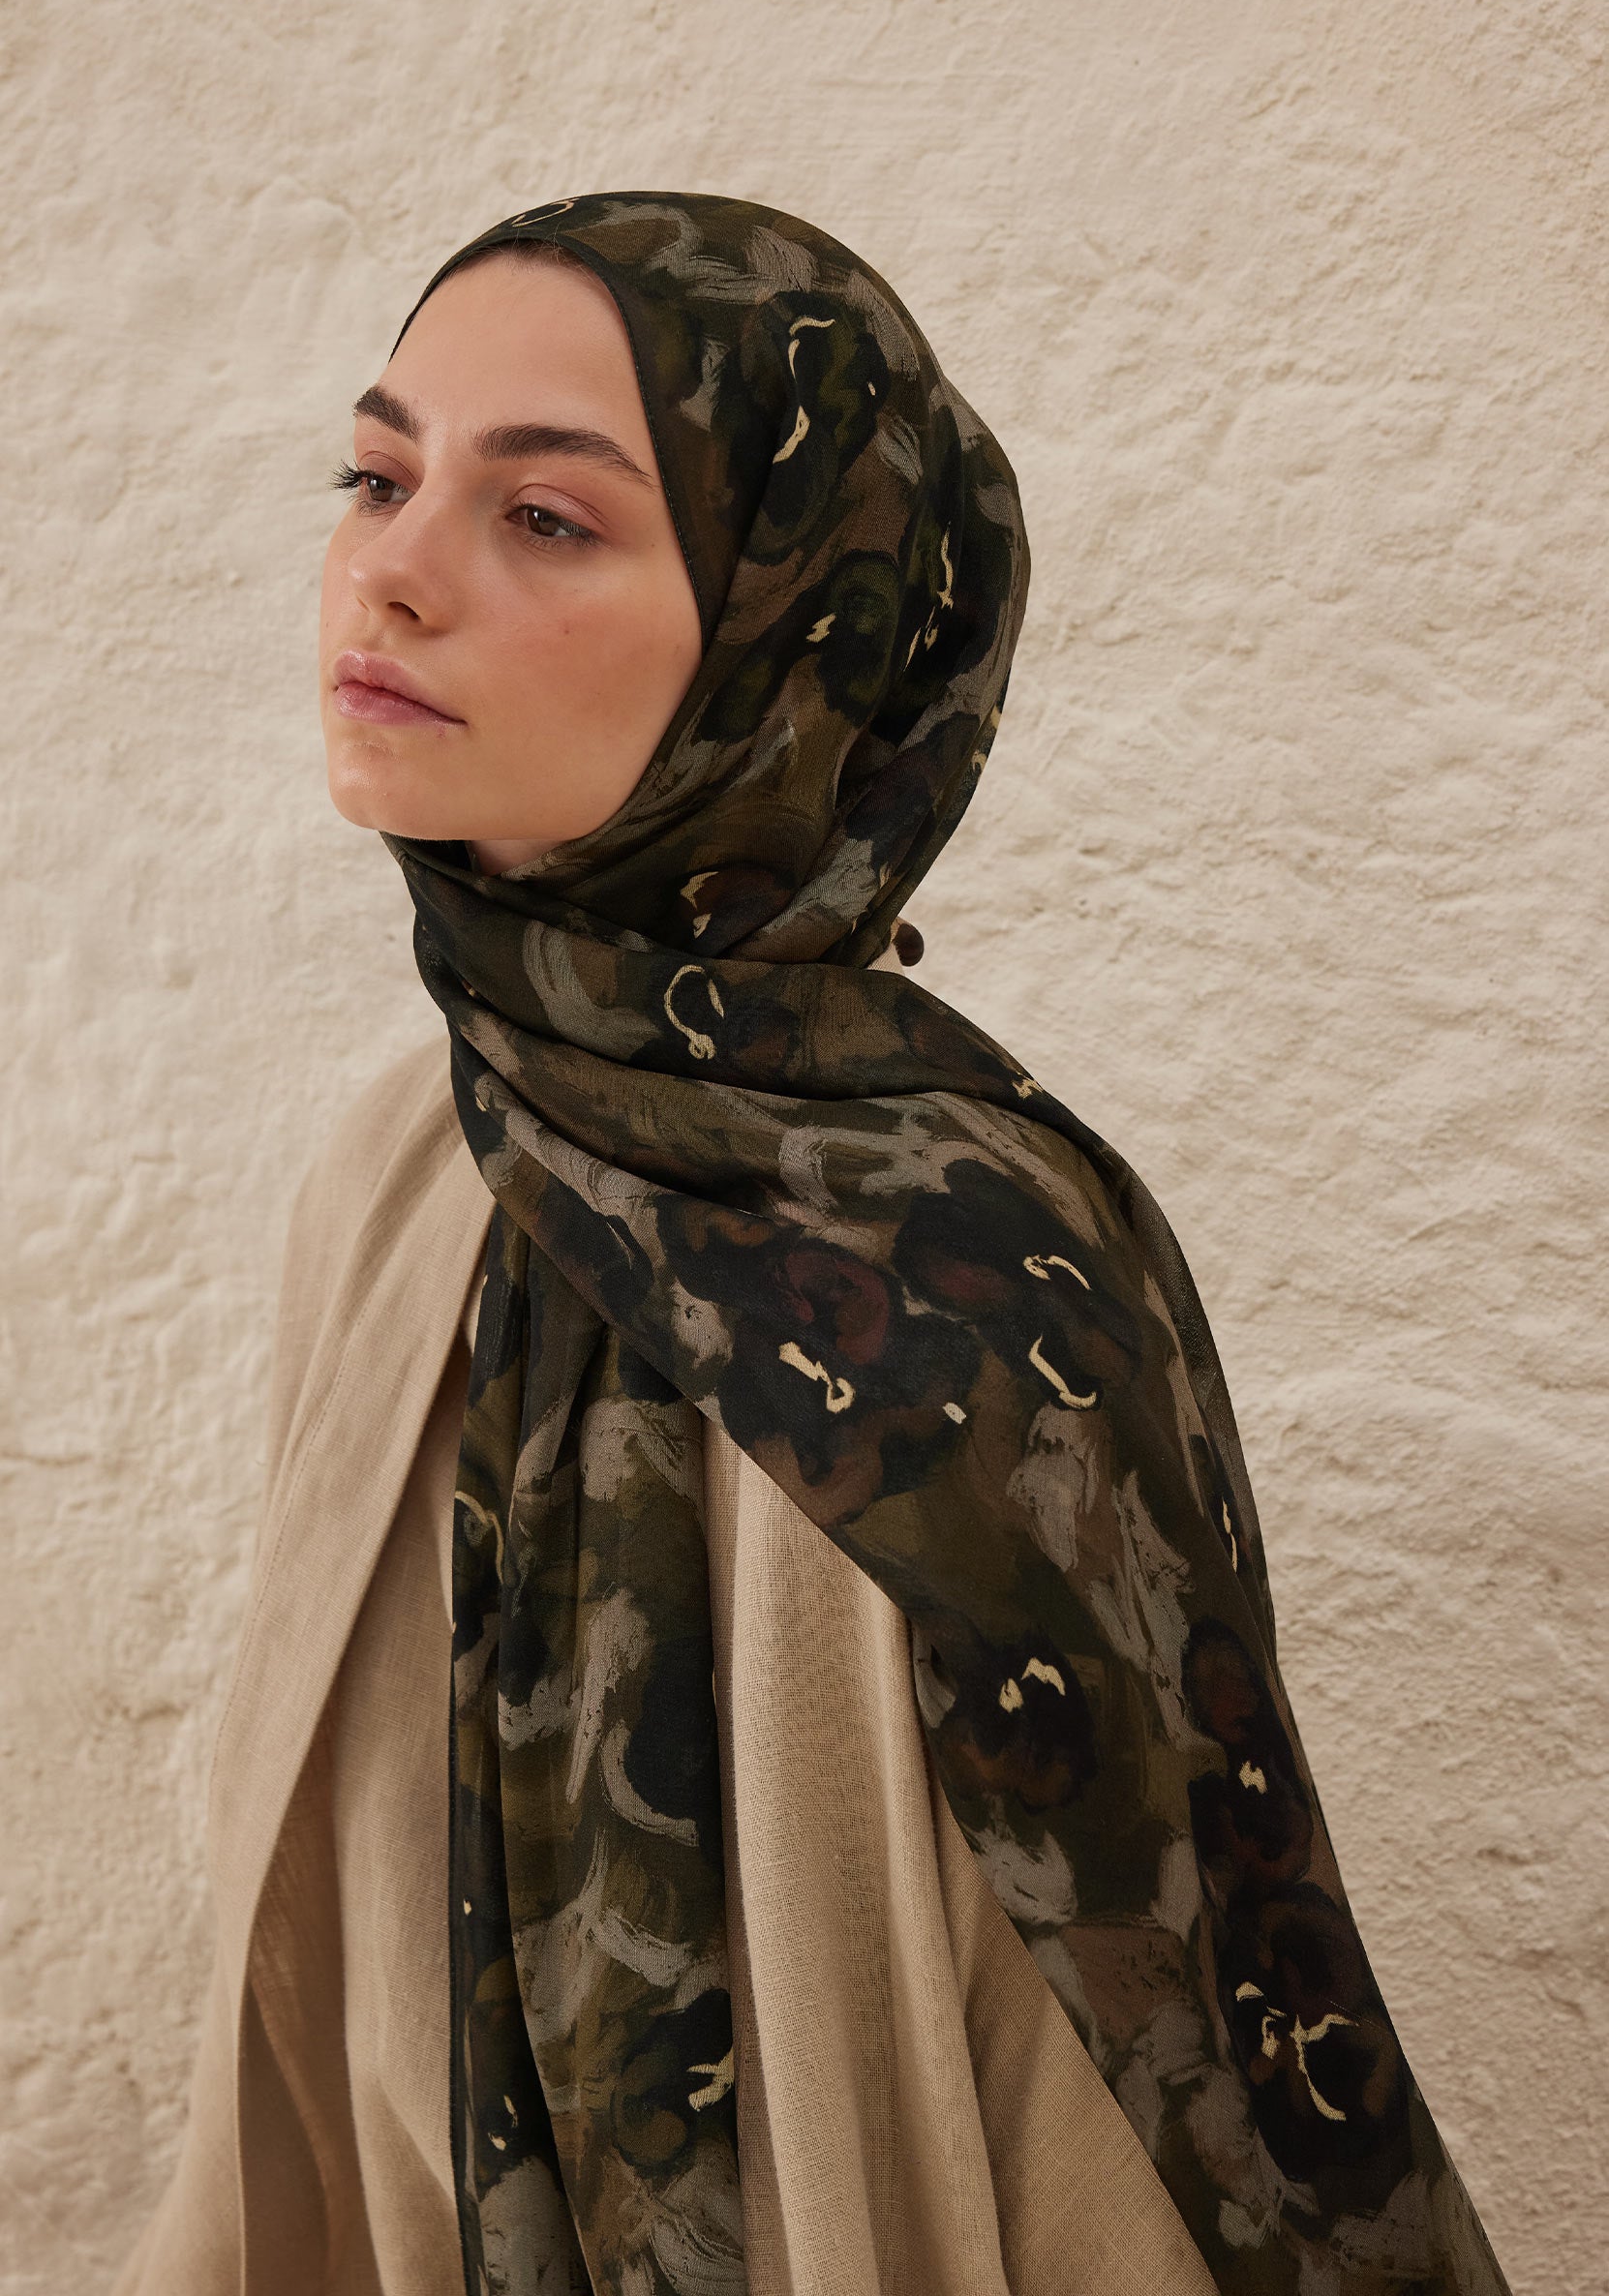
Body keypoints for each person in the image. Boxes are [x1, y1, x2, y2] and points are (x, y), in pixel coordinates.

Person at [118, 193, 1510, 2296]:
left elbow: (1155, 2102)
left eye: (547, 518)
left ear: (798, 649)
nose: (391, 570)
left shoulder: (982, 1282)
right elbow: (325, 1979)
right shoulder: (405, 1170)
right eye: (378, 477)